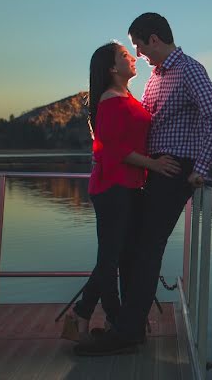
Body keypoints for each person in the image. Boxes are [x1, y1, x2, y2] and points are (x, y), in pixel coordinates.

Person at [75, 12, 212, 356]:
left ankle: (127, 332)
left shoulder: (188, 69)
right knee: (132, 248)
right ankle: (129, 326)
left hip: (175, 169)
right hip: (153, 171)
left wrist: (200, 167)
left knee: (146, 248)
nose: (139, 55)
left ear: (154, 40)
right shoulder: (156, 78)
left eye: (139, 47)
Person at [62, 41, 180, 342]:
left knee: (115, 257)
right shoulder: (110, 100)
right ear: (113, 68)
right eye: (126, 55)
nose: (134, 58)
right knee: (110, 260)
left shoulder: (126, 97)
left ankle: (91, 316)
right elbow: (113, 150)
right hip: (112, 188)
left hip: (127, 187)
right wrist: (153, 165)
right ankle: (103, 318)